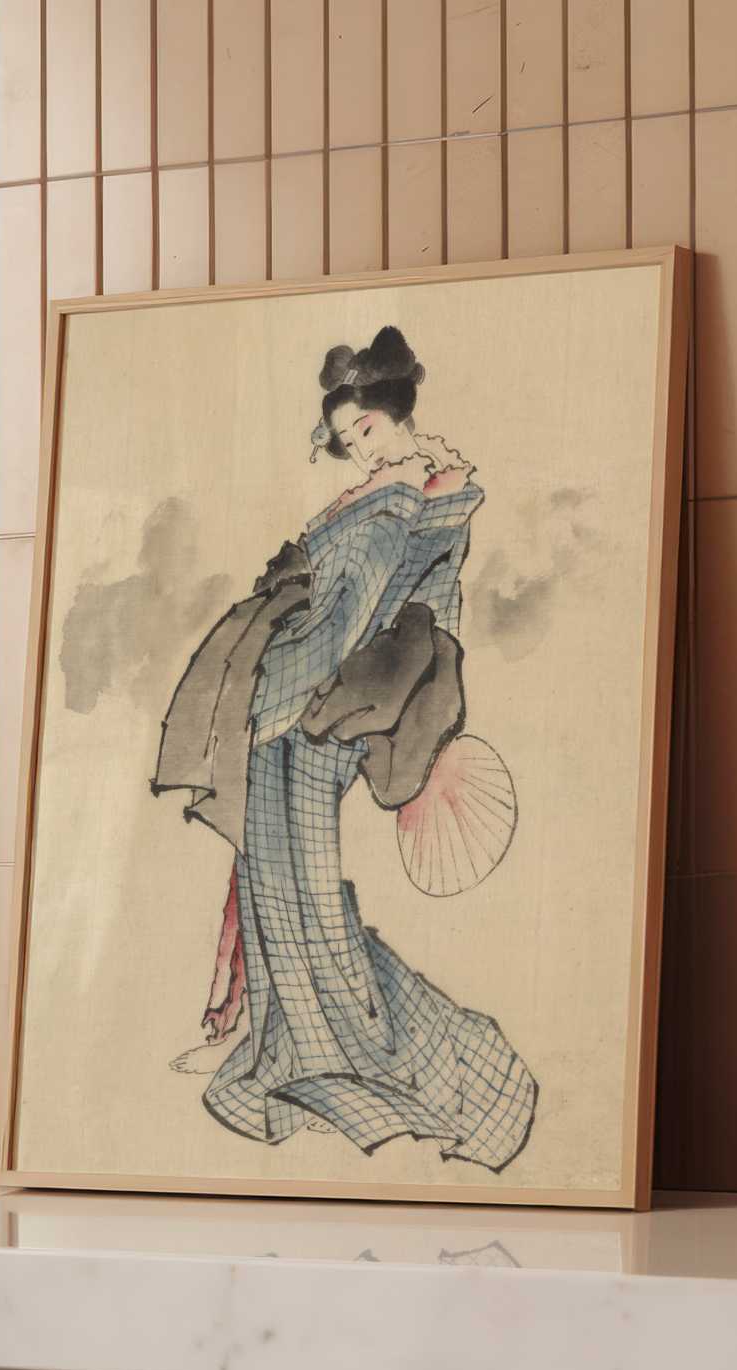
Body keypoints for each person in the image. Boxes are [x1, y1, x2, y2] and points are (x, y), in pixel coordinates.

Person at [151, 326, 537, 1172]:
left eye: (365, 429)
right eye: (345, 439)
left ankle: (339, 1059)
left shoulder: (395, 501)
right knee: (281, 882)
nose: (358, 448)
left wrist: (272, 693)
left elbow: (347, 619)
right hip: (317, 710)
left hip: (305, 709)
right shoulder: (425, 493)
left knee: (300, 889)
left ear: (396, 416)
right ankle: (281, 1041)